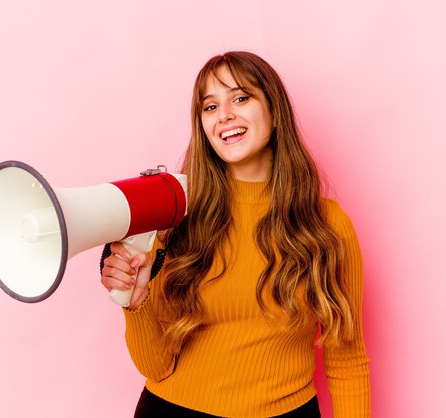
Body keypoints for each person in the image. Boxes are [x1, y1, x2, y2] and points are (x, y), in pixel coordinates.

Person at [100, 51, 370, 417]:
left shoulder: (327, 225)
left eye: (240, 98)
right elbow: (156, 367)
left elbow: (347, 360)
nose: (224, 115)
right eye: (210, 107)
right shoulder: (180, 217)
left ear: (275, 112)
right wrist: (136, 301)